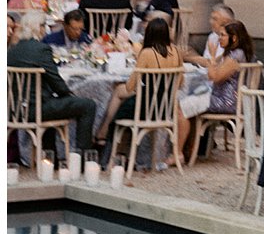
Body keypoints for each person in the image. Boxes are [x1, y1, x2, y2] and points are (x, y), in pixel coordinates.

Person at [8, 10, 97, 161]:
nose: (45, 30)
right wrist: (69, 95)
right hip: (35, 110)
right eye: (44, 26)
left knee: (53, 103)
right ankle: (82, 159)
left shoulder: (12, 51)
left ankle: (51, 157)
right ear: (39, 28)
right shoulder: (41, 49)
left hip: (14, 111)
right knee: (88, 105)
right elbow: (57, 84)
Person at [101, 14, 189, 161]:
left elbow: (130, 86)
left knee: (120, 109)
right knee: (124, 96)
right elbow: (180, 83)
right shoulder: (176, 52)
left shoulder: (147, 53)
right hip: (165, 108)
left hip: (145, 107)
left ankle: (114, 153)